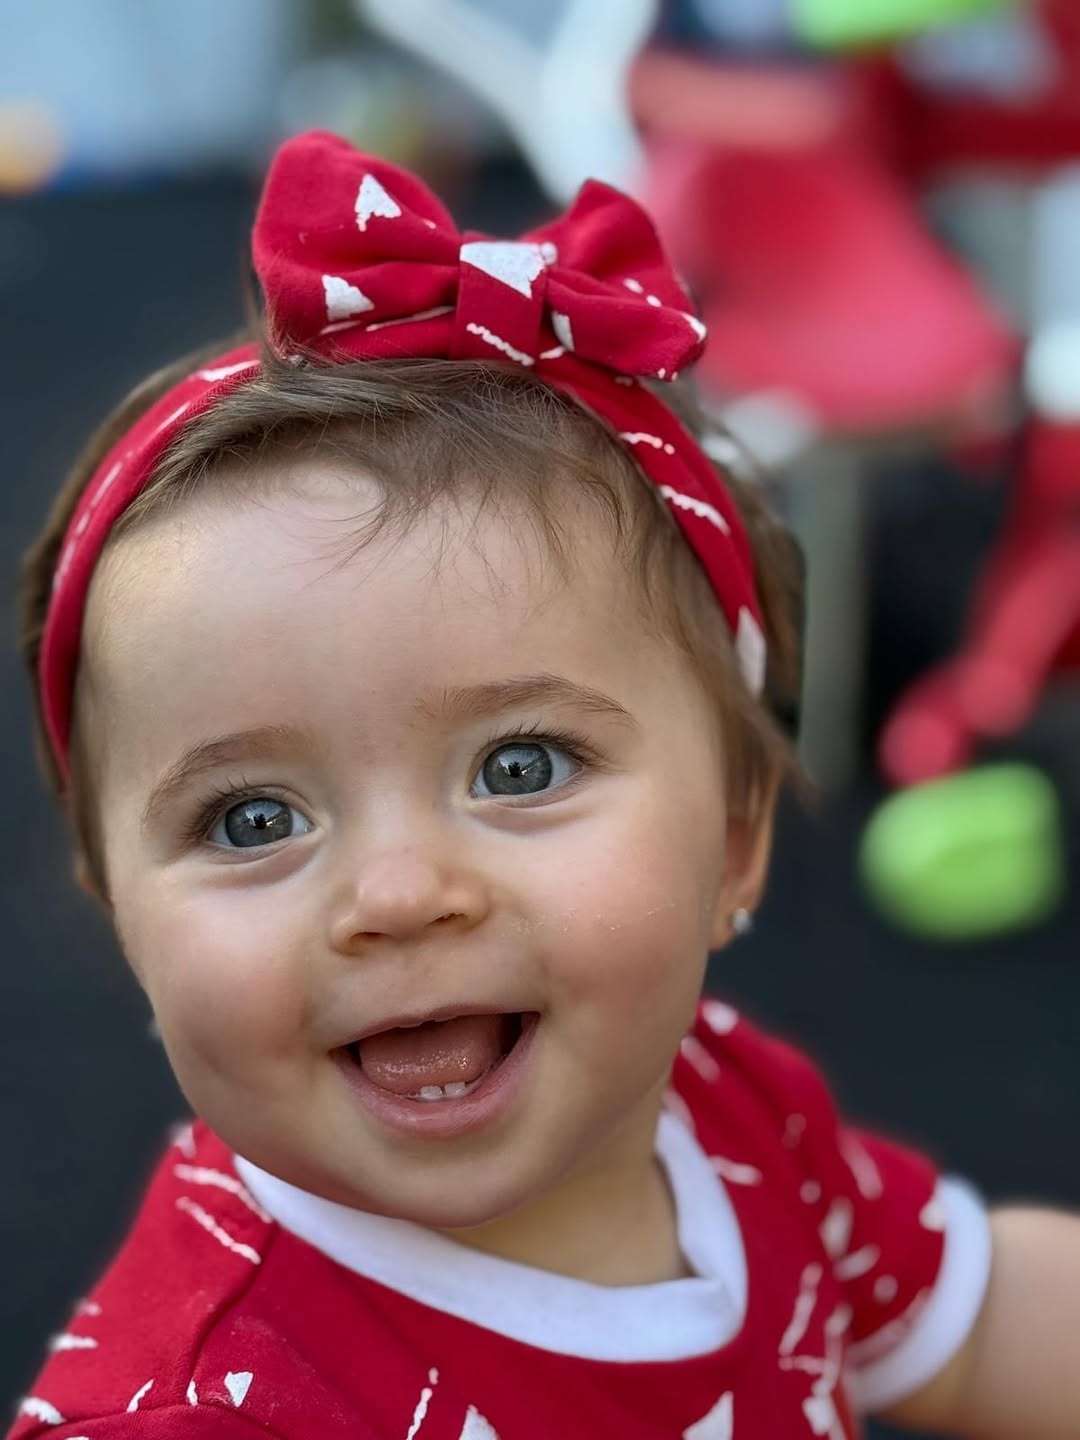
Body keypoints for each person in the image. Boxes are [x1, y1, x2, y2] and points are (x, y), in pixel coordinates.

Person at [9, 130, 1079, 1440]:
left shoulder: (730, 1111)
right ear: (122, 911)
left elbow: (973, 1322)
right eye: (253, 819)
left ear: (736, 837)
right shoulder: (201, 1410)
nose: (398, 896)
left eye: (521, 767)